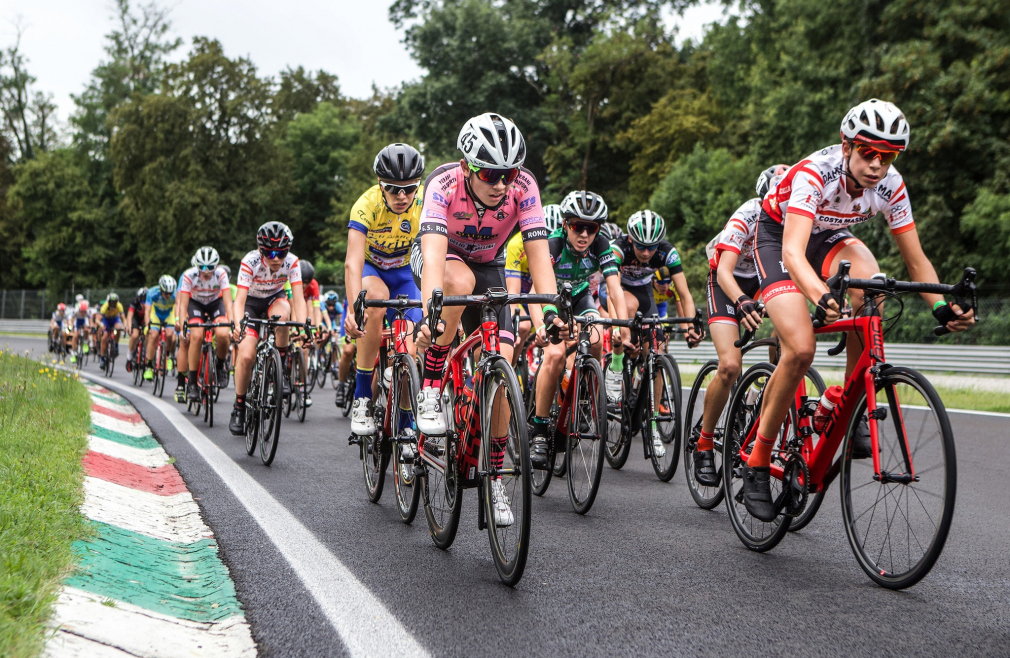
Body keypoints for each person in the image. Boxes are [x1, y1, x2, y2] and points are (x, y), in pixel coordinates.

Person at [742, 99, 974, 521]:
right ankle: (756, 461)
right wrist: (818, 295)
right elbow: (794, 253)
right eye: (869, 152)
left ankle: (846, 404)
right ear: (846, 145)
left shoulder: (891, 185)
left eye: (888, 156)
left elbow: (917, 261)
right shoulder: (816, 173)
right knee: (800, 348)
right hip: (780, 236)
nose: (877, 165)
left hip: (830, 236)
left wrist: (942, 306)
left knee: (875, 286)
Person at [412, 112, 562, 525]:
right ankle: (430, 384)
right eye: (490, 174)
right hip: (440, 258)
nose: (501, 185)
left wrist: (549, 311)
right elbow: (435, 257)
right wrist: (431, 313)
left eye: (508, 174)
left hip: (491, 264)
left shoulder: (524, 187)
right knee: (457, 279)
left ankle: (495, 474)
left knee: (506, 358)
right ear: (466, 167)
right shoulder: (443, 184)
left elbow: (538, 260)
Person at [691, 164, 788, 487]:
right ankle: (704, 443)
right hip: (727, 280)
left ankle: (764, 392)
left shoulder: (798, 217)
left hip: (763, 278)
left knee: (790, 340)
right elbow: (724, 272)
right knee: (730, 365)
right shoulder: (748, 213)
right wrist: (742, 301)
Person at [526, 190, 630, 467]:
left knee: (597, 339)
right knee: (556, 355)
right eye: (577, 226)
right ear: (565, 225)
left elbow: (615, 288)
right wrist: (539, 326)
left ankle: (582, 396)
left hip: (580, 297)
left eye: (591, 228)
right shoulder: (554, 245)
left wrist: (621, 324)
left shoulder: (602, 245)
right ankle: (539, 429)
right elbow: (536, 290)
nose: (584, 234)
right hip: (550, 299)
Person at [343, 143, 425, 436]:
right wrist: (356, 306)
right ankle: (362, 396)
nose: (402, 196)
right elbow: (352, 262)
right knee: (374, 303)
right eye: (392, 188)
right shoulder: (366, 205)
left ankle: (404, 422)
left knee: (409, 346)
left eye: (409, 188)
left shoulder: (426, 202)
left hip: (405, 273)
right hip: (371, 269)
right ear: (380, 184)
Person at [608, 210, 702, 420]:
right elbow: (612, 293)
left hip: (645, 292)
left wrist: (691, 328)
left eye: (652, 247)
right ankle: (616, 367)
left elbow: (684, 294)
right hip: (619, 288)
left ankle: (654, 413)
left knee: (657, 350)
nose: (646, 252)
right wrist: (618, 329)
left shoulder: (667, 252)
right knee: (628, 311)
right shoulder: (618, 248)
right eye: (640, 246)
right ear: (631, 238)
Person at [229, 222, 307, 435]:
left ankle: (280, 366)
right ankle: (239, 405)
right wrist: (238, 325)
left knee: (284, 315)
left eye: (281, 252)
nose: (275, 258)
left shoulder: (292, 262)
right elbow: (239, 300)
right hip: (251, 304)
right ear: (260, 250)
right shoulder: (250, 261)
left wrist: (303, 327)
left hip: (274, 298)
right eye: (269, 252)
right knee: (246, 356)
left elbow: (299, 300)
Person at [505, 202, 563, 366]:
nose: (547, 245)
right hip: (518, 292)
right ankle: (510, 369)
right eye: (544, 236)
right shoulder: (517, 244)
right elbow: (513, 292)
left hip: (540, 292)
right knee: (523, 326)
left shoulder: (562, 248)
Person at [178, 247, 233, 402]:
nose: (206, 271)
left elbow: (228, 303)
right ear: (196, 265)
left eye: (210, 267)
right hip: (196, 305)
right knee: (196, 336)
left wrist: (232, 323)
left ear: (216, 266)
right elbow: (183, 306)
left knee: (222, 334)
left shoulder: (221, 274)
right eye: (202, 267)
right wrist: (183, 326)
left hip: (216, 303)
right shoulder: (189, 275)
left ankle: (220, 366)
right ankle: (193, 382)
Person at [144, 276, 179, 390]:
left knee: (170, 335)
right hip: (156, 315)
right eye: (165, 293)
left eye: (170, 293)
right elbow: (147, 310)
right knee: (153, 335)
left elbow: (179, 307)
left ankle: (168, 356)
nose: (168, 295)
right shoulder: (152, 293)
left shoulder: (175, 295)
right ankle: (149, 366)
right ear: (160, 289)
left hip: (169, 315)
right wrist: (147, 325)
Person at [98, 293, 126, 367]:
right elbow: (97, 319)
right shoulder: (105, 306)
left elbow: (123, 318)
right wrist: (101, 325)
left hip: (115, 319)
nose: (113, 305)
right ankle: (102, 358)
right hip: (106, 320)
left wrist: (125, 326)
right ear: (108, 302)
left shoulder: (119, 306)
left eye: (115, 303)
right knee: (104, 337)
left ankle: (116, 344)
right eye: (111, 303)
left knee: (118, 328)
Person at [126, 287, 148, 371]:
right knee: (135, 335)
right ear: (139, 299)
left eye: (146, 301)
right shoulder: (135, 302)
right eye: (143, 301)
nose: (144, 304)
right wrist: (129, 326)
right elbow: (130, 315)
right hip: (136, 319)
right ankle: (129, 357)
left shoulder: (151, 303)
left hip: (145, 319)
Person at [69, 296, 89, 362]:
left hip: (84, 321)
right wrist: (71, 326)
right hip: (77, 322)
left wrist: (92, 327)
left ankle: (85, 343)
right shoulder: (76, 311)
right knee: (75, 336)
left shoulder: (88, 311)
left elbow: (90, 321)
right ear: (79, 309)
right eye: (82, 311)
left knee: (86, 329)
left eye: (84, 312)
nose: (83, 313)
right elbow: (71, 320)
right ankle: (73, 352)